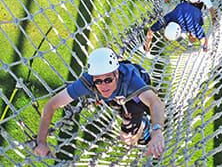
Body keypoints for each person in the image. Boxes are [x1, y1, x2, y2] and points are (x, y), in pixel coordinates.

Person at [35, 48, 165, 158]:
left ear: (117, 74)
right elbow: (50, 105)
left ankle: (145, 123)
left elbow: (156, 102)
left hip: (134, 96)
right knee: (128, 138)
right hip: (116, 99)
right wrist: (41, 141)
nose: (103, 86)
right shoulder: (86, 83)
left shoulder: (131, 81)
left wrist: (157, 130)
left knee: (131, 137)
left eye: (108, 79)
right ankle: (142, 122)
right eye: (98, 81)